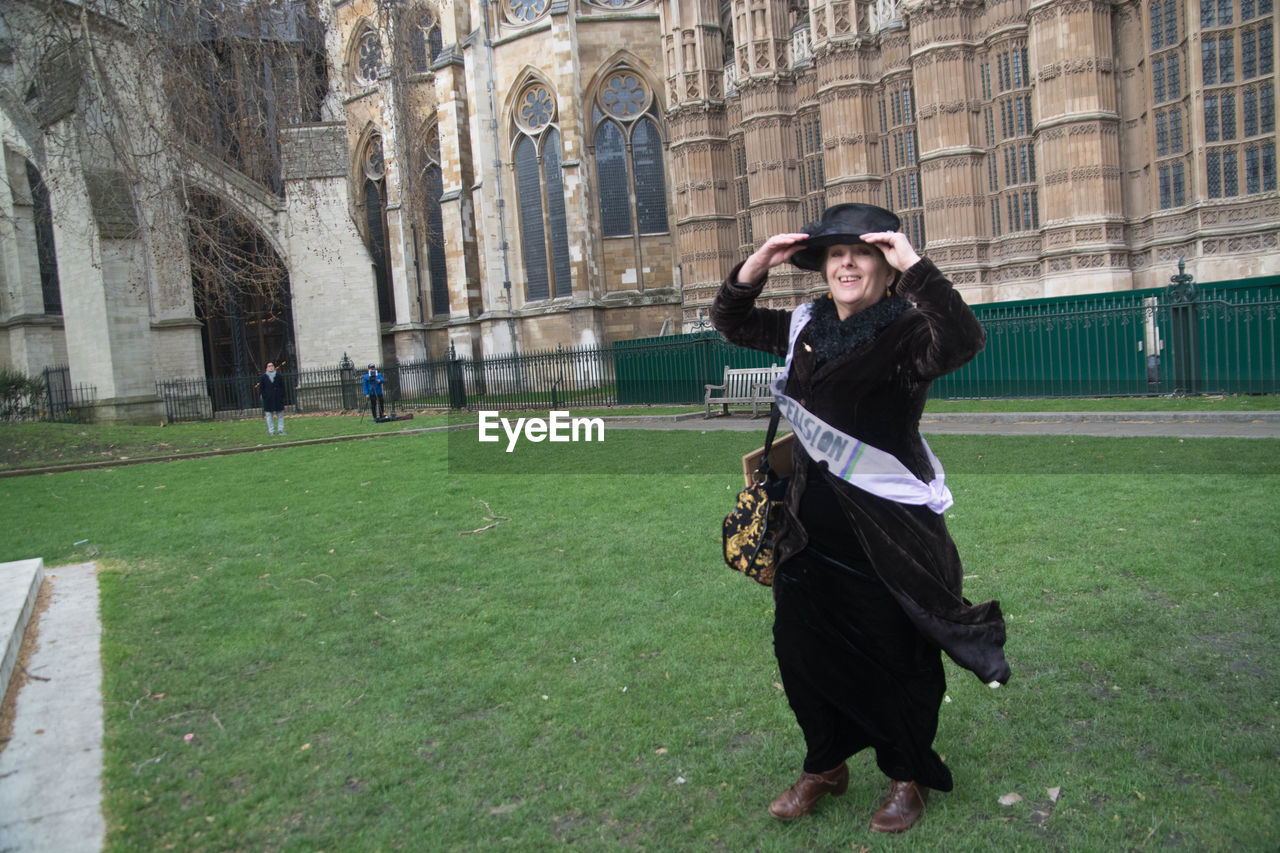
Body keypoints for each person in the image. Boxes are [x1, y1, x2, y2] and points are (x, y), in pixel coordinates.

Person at [711, 203, 1010, 834]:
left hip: (887, 533)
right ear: (822, 266)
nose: (847, 262)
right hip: (805, 532)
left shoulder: (907, 332)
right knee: (802, 651)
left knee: (897, 654)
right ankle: (825, 765)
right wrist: (759, 263)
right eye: (835, 253)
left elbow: (964, 340)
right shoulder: (804, 324)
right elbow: (731, 321)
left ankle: (907, 774)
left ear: (882, 264)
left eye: (863, 252)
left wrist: (915, 267)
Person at [259, 362, 286, 436]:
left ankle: (281, 430)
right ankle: (271, 431)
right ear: (266, 368)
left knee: (280, 415)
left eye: (272, 366)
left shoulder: (279, 376)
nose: (271, 367)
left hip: (278, 398)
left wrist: (281, 396)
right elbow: (261, 389)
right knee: (269, 416)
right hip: (268, 400)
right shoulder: (263, 377)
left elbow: (283, 387)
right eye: (269, 366)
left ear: (274, 367)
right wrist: (265, 396)